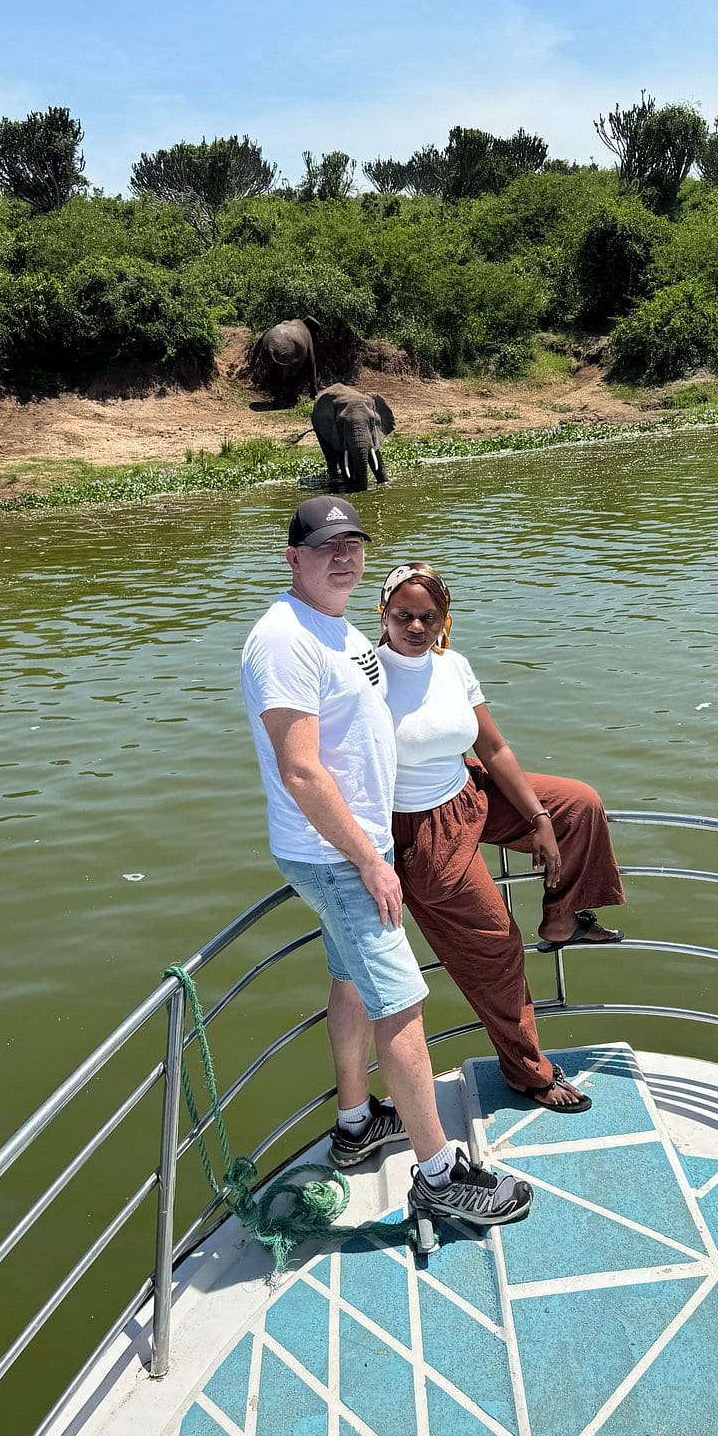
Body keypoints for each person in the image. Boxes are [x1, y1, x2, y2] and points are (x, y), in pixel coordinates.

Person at [240, 497, 532, 1228]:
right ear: (292, 557)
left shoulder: (337, 630)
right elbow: (301, 770)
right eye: (325, 546)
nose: (343, 556)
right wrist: (370, 861)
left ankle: (356, 1122)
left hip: (353, 849)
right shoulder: (283, 639)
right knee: (401, 1003)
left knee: (350, 981)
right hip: (339, 856)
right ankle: (438, 1174)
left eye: (353, 544)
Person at [375, 560, 626, 1113]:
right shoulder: (366, 676)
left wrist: (538, 818)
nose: (416, 627)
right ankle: (527, 1072)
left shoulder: (453, 665)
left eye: (429, 617)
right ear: (383, 614)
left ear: (444, 619)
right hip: (418, 825)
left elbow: (492, 748)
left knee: (577, 805)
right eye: (403, 615)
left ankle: (561, 918)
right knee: (495, 945)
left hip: (469, 790)